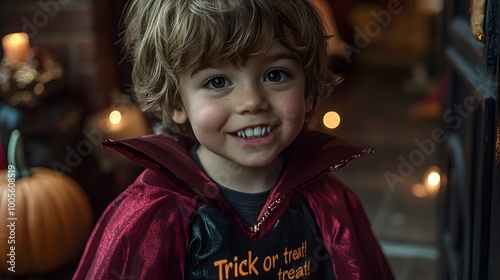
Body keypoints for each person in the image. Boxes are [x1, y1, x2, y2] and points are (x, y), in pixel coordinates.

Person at [73, 0, 394, 279]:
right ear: (176, 103)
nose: (252, 101)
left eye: (275, 75)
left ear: (308, 90)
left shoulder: (329, 202)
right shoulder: (153, 216)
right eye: (217, 81)